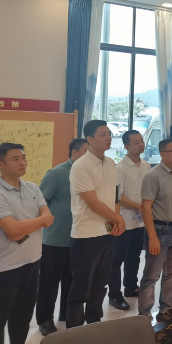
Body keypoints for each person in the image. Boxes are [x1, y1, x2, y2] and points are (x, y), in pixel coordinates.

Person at [0, 143, 54, 344]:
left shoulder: (33, 188)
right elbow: (11, 229)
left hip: (32, 261)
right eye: (16, 159)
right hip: (3, 268)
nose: (23, 162)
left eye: (24, 157)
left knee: (23, 316)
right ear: (0, 164)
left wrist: (21, 228)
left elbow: (48, 217)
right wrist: (37, 222)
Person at [67, 120, 125, 328]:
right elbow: (91, 201)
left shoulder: (110, 163)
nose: (108, 138)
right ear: (90, 139)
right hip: (86, 234)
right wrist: (118, 219)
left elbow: (116, 195)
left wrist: (116, 218)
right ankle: (74, 332)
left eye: (109, 133)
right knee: (80, 288)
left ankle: (94, 324)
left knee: (101, 284)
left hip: (107, 233)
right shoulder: (81, 166)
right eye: (102, 134)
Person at [36, 138, 88, 336]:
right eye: (86, 151)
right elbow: (40, 202)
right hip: (56, 239)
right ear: (74, 152)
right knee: (49, 283)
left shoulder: (87, 174)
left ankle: (66, 314)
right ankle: (44, 320)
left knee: (72, 280)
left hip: (79, 237)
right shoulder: (57, 174)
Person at [138, 139, 172, 322]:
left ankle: (166, 309)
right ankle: (144, 315)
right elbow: (146, 208)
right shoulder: (152, 176)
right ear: (162, 154)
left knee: (171, 273)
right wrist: (152, 237)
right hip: (160, 230)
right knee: (151, 276)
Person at [108, 130, 151, 311]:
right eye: (136, 143)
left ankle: (131, 287)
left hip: (140, 221)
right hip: (124, 220)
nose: (141, 145)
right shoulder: (120, 168)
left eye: (141, 141)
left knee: (134, 255)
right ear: (126, 146)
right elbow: (118, 196)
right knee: (117, 259)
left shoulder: (146, 165)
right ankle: (114, 295)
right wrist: (139, 207)